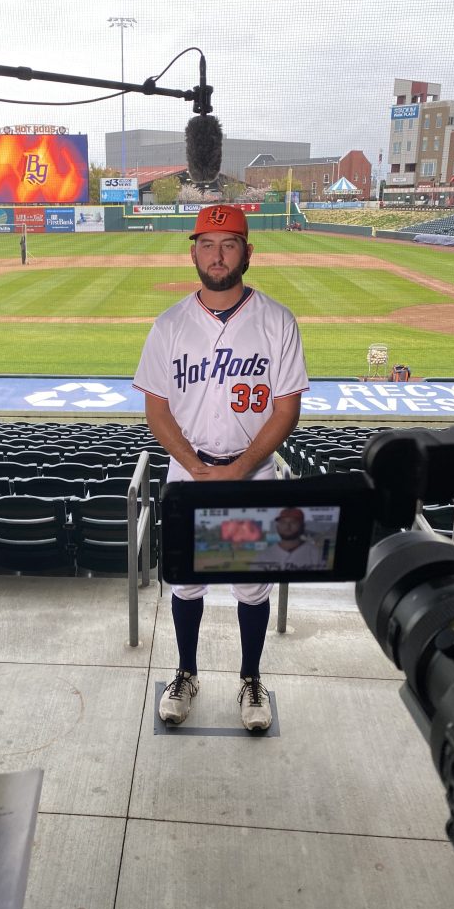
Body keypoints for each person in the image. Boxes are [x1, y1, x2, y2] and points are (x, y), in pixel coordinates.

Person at [133, 204, 309, 731]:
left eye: (229, 243)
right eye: (207, 243)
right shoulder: (169, 326)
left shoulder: (277, 322)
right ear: (193, 251)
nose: (217, 255)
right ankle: (185, 672)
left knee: (251, 587)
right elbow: (156, 409)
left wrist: (240, 468)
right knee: (186, 583)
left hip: (253, 476)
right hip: (188, 476)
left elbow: (287, 409)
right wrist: (196, 466)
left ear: (247, 253)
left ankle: (250, 679)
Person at [259, 508, 324, 569]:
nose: (287, 526)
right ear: (277, 527)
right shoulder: (263, 556)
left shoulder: (316, 554)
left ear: (303, 526)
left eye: (293, 522)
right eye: (283, 522)